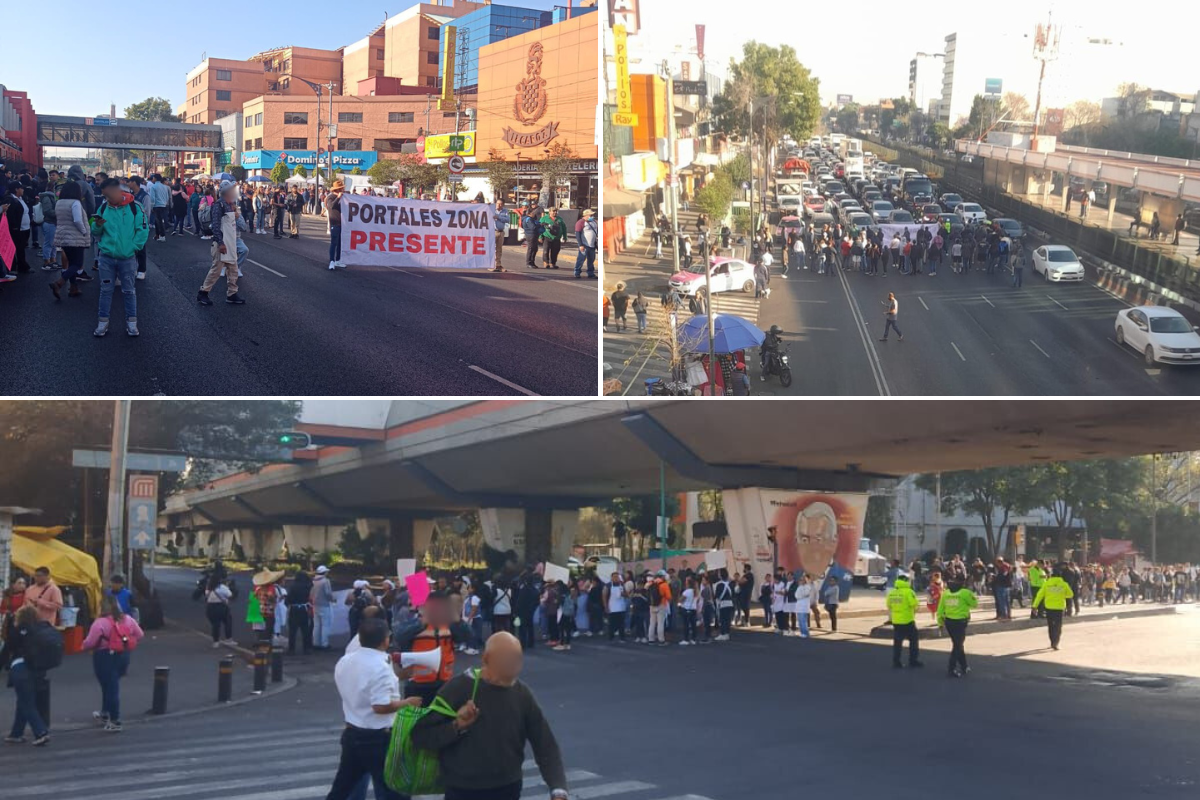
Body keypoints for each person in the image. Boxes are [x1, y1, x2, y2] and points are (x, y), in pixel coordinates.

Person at [411, 631, 569, 800]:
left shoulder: (522, 694)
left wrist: (558, 788)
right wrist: (457, 726)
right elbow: (421, 736)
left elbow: (544, 743)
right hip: (463, 790)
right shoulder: (457, 689)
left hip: (508, 788)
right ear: (486, 659)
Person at [324, 617, 420, 800]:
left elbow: (361, 687)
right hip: (378, 738)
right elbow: (380, 706)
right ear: (386, 639)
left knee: (341, 789)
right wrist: (408, 702)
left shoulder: (345, 661)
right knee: (394, 790)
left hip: (352, 732)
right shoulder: (381, 668)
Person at [90, 178, 149, 338]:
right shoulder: (103, 208)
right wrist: (98, 225)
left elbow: (143, 230)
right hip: (106, 257)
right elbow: (95, 231)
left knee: (129, 291)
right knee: (105, 291)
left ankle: (132, 324)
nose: (107, 198)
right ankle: (102, 324)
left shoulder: (135, 207)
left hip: (128, 258)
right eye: (105, 195)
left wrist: (133, 248)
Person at [81, 596, 144, 732]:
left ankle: (115, 720)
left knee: (109, 687)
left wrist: (83, 646)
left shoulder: (100, 623)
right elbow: (140, 635)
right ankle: (105, 712)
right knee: (111, 685)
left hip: (104, 656)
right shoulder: (128, 619)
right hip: (123, 655)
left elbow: (90, 642)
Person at [393, 591, 456, 707]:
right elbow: (398, 636)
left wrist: (458, 621)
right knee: (416, 720)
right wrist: (421, 623)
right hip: (418, 683)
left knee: (440, 720)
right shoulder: (413, 620)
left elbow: (469, 636)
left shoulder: (449, 624)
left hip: (444, 681)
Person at [4, 606, 53, 746]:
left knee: (26, 702)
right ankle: (16, 733)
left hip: (21, 668)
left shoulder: (18, 631)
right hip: (39, 669)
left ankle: (41, 731)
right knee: (24, 700)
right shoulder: (41, 628)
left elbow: (7, 650)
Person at [49, 181, 91, 299]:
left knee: (72, 262)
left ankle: (73, 287)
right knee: (77, 264)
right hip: (75, 236)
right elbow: (77, 220)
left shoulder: (59, 203)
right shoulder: (75, 203)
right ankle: (59, 282)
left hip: (63, 236)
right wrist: (84, 231)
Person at [936, 577, 977, 678]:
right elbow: (974, 604)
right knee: (957, 646)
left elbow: (940, 609)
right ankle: (951, 668)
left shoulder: (945, 593)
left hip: (949, 622)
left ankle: (964, 666)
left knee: (958, 644)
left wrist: (940, 623)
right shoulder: (965, 593)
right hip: (960, 622)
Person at [1032, 566, 1074, 650]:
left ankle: (1052, 642)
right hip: (1059, 608)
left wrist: (1034, 606)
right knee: (1058, 625)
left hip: (1049, 607)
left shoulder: (1046, 584)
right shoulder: (1064, 584)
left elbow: (1039, 596)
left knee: (1051, 625)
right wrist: (1062, 595)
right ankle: (1056, 642)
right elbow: (1070, 594)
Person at [886, 575, 922, 668]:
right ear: (906, 581)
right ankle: (913, 660)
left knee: (897, 642)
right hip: (908, 620)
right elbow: (914, 604)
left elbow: (888, 605)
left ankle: (896, 661)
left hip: (896, 621)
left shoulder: (892, 593)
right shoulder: (909, 592)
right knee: (913, 641)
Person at [1, 181, 32, 275]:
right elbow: (9, 215)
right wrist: (14, 226)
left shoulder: (21, 199)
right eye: (21, 188)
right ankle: (13, 267)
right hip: (16, 228)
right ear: (16, 189)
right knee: (16, 247)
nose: (22, 190)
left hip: (24, 227)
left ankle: (21, 265)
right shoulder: (10, 199)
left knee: (21, 247)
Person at [286, 570, 314, 656]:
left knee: (292, 631)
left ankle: (291, 649)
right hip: (304, 608)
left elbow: (288, 599)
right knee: (305, 629)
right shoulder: (308, 586)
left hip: (294, 609)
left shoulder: (293, 586)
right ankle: (306, 648)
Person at [311, 565, 335, 650]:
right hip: (324, 605)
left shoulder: (313, 581)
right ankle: (324, 644)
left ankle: (316, 643)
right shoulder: (325, 581)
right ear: (324, 572)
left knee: (317, 625)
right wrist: (333, 599)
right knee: (325, 625)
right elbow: (328, 593)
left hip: (315, 605)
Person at [326, 180, 346, 270]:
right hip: (334, 223)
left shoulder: (343, 197)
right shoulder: (330, 197)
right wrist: (338, 198)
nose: (343, 190)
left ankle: (338, 260)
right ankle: (332, 261)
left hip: (342, 224)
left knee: (340, 244)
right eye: (341, 188)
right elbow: (332, 206)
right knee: (334, 243)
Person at [602, 572, 627, 642]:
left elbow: (626, 594)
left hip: (621, 607)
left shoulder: (622, 584)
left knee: (621, 624)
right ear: (612, 578)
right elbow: (604, 596)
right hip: (612, 608)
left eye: (617, 577)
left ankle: (622, 638)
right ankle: (611, 637)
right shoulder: (608, 585)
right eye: (615, 577)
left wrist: (623, 594)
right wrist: (605, 606)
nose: (616, 578)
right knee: (611, 624)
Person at [575, 209, 597, 279]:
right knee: (581, 259)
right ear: (586, 215)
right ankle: (577, 272)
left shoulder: (594, 222)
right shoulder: (580, 222)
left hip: (592, 245)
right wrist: (580, 244)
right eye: (591, 215)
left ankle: (590, 273)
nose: (592, 216)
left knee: (591, 260)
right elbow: (577, 234)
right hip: (584, 245)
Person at [147, 174, 170, 242]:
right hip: (163, 205)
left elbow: (152, 198)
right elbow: (167, 197)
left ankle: (162, 235)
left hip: (156, 205)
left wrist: (151, 207)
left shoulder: (153, 187)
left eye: (153, 178)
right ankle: (158, 235)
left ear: (155, 178)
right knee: (158, 221)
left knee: (159, 221)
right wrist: (165, 203)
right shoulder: (165, 187)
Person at [492, 199, 509, 272]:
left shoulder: (505, 211)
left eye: (500, 204)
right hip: (493, 231)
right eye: (497, 203)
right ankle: (492, 264)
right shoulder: (492, 210)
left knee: (499, 249)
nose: (499, 205)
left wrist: (498, 217)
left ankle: (498, 264)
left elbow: (507, 219)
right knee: (492, 249)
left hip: (501, 231)